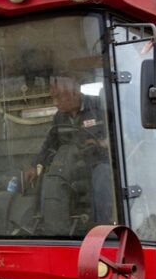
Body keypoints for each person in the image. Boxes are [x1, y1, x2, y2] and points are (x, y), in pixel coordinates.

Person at [24, 75, 114, 233]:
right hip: (71, 167)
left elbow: (118, 135)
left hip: (97, 163)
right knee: (48, 177)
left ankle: (101, 229)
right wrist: (34, 165)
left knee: (103, 177)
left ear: (74, 92)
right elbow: (49, 144)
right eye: (53, 97)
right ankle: (43, 225)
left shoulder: (99, 106)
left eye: (58, 97)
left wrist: (101, 144)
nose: (55, 102)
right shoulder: (59, 117)